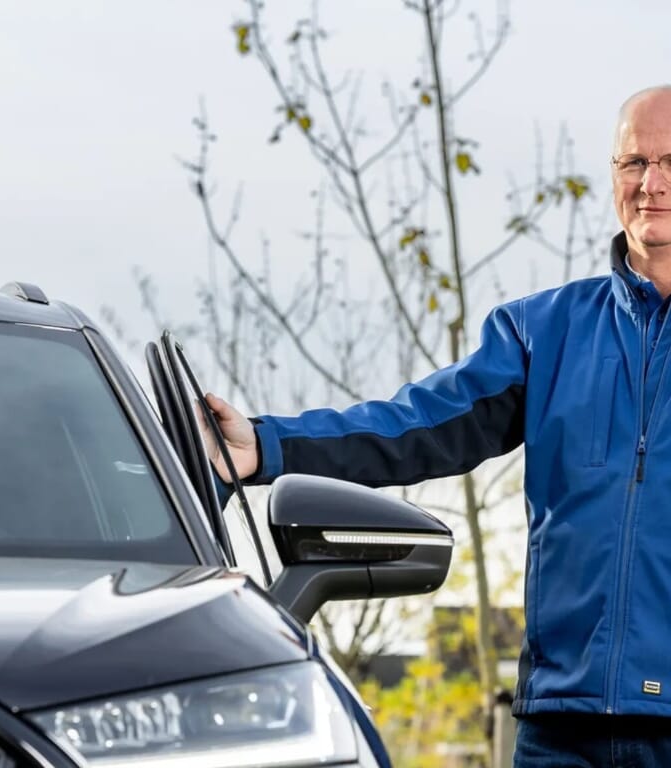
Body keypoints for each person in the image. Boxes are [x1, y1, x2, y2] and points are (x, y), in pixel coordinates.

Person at [204, 85, 671, 766]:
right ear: (612, 177)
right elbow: (414, 423)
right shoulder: (545, 333)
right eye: (633, 164)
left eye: (669, 162)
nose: (651, 184)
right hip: (562, 729)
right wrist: (267, 444)